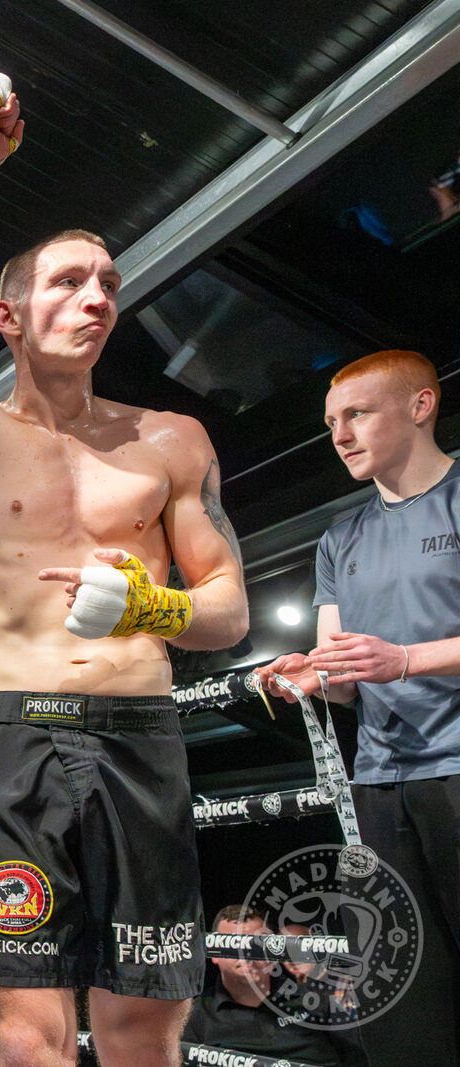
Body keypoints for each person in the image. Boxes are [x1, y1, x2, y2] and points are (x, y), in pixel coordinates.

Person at [0, 81, 250, 1066]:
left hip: (139, 735)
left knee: (143, 1027)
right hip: (11, 733)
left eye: (108, 285)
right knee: (26, 1030)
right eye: (69, 281)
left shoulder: (169, 440)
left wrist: (150, 604)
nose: (96, 298)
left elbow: (228, 611)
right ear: (7, 314)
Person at [255, 348, 460, 1065]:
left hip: (457, 767)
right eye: (331, 422)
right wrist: (307, 675)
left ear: (421, 405)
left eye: (358, 414)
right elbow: (341, 673)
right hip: (377, 783)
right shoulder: (340, 537)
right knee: (403, 998)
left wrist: (404, 658)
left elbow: (389, 658)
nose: (340, 435)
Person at [184, 906, 364, 1066]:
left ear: (273, 954)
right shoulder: (194, 1016)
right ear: (215, 954)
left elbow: (356, 1056)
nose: (246, 954)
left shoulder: (316, 997)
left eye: (256, 944)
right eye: (233, 944)